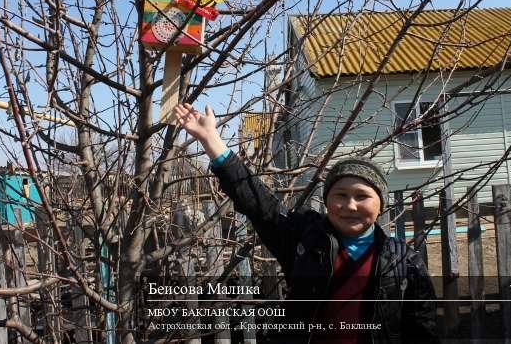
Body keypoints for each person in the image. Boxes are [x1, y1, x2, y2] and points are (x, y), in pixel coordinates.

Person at [175, 103, 439, 343]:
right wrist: (212, 140)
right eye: (341, 195)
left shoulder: (404, 262)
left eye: (362, 196)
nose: (350, 206)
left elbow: (423, 331)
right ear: (327, 201)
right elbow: (258, 203)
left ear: (380, 203)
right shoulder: (305, 240)